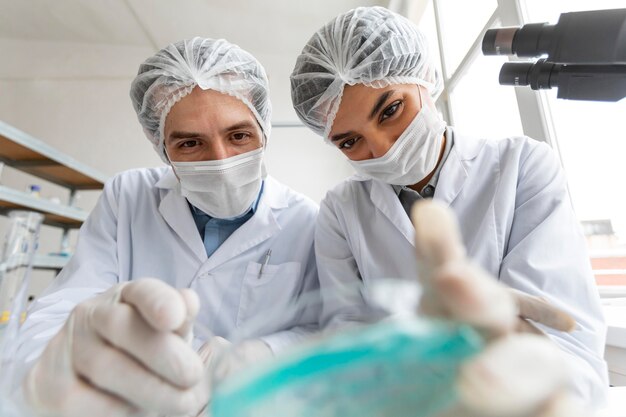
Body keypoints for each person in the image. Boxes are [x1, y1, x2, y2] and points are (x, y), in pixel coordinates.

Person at [290, 5, 607, 408]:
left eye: (390, 110)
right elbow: (347, 338)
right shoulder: (340, 209)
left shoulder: (521, 165)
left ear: (426, 78)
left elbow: (562, 335)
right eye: (350, 141)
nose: (382, 148)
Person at [15, 37, 319, 417]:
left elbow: (325, 329)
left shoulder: (308, 220)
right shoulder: (127, 196)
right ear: (162, 147)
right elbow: (61, 310)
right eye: (191, 143)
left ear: (263, 131)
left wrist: (262, 355)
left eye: (238, 135)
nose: (221, 160)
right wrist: (65, 367)